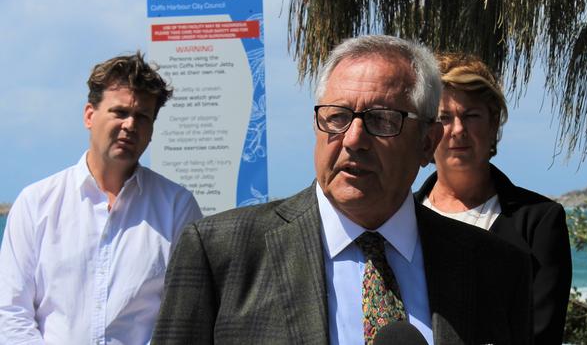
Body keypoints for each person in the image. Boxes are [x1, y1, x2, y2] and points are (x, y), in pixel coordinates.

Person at [152, 35, 532, 345]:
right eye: (337, 117)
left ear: (427, 143)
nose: (353, 139)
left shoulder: (495, 267)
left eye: (382, 120)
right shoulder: (220, 253)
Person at [0, 52, 203, 344]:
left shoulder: (177, 207)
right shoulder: (36, 203)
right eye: (120, 112)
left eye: (142, 116)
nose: (130, 125)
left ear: (152, 130)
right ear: (89, 115)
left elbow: (187, 315)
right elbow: (11, 312)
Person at [414, 53, 572, 344]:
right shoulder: (402, 217)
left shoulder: (538, 221)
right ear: (427, 131)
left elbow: (542, 335)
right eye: (444, 118)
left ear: (493, 122)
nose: (458, 130)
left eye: (471, 115)